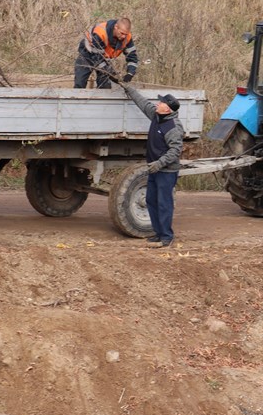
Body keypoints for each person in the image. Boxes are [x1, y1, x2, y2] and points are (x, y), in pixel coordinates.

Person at [122, 84, 183, 248]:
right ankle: (158, 233)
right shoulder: (156, 116)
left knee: (164, 203)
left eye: (161, 103)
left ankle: (167, 237)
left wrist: (159, 163)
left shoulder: (173, 127)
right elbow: (143, 103)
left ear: (168, 109)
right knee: (151, 200)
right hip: (154, 169)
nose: (158, 104)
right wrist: (129, 88)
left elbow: (175, 150)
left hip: (166, 171)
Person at [74, 18, 139, 89]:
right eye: (122, 33)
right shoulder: (101, 32)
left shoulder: (127, 37)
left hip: (104, 58)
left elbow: (132, 58)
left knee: (105, 85)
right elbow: (97, 58)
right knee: (80, 83)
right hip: (87, 55)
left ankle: (101, 99)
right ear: (116, 27)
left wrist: (130, 73)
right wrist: (110, 72)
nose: (124, 36)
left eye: (126, 34)